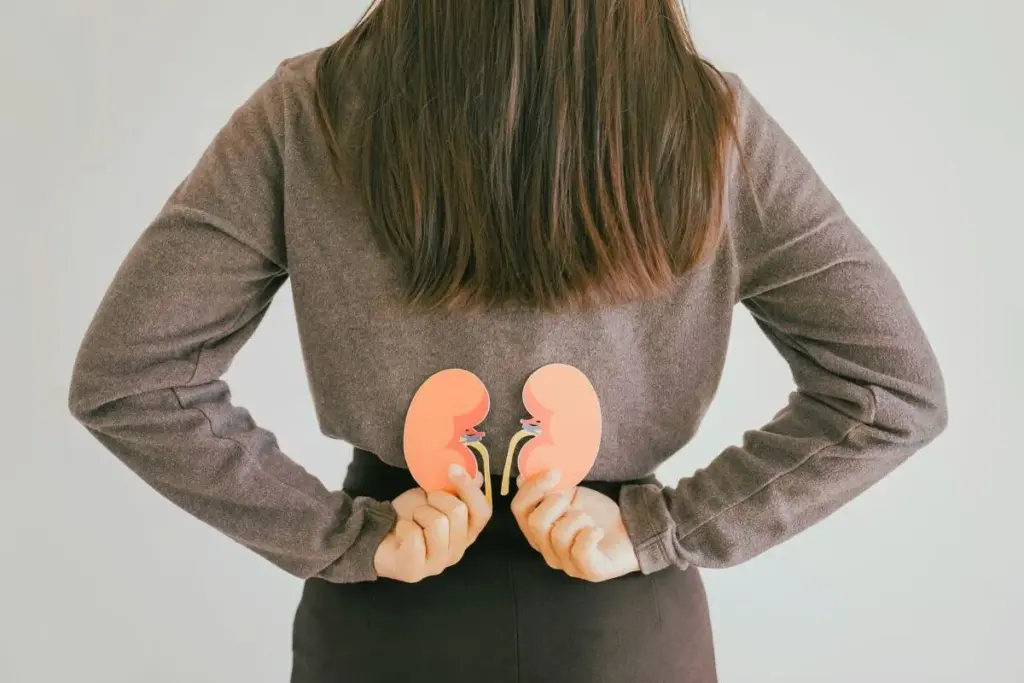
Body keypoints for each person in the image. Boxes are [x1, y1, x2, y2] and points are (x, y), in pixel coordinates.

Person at [67, 2, 948, 681]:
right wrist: (659, 529)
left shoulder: (310, 113)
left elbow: (131, 378)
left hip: (388, 621)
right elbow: (890, 390)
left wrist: (344, 536)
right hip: (624, 633)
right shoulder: (712, 125)